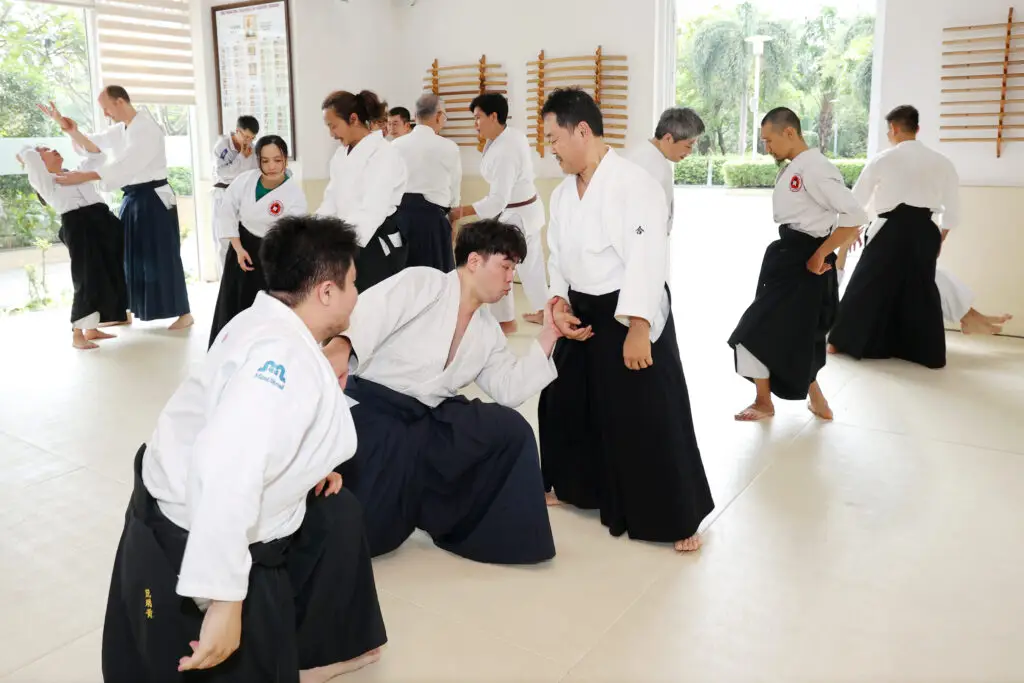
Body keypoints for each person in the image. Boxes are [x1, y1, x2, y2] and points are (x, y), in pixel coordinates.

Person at [101, 215, 387, 683]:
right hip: (193, 529)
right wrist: (225, 597)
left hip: (180, 498)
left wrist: (305, 467)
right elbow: (228, 464)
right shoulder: (281, 357)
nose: (357, 294)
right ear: (326, 292)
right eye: (353, 282)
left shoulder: (265, 320)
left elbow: (251, 430)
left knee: (337, 516)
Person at [537, 88, 714, 554]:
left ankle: (675, 512)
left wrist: (638, 328)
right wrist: (557, 303)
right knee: (566, 400)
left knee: (646, 413)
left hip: (628, 308)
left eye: (553, 138)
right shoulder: (561, 195)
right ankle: (578, 486)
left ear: (582, 131)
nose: (549, 148)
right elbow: (557, 255)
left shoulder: (635, 185)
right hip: (582, 310)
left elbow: (647, 258)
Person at [321, 218, 559, 565]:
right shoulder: (424, 283)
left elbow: (508, 388)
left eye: (514, 269)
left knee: (510, 431)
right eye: (506, 266)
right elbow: (371, 313)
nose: (511, 279)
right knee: (366, 530)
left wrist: (549, 334)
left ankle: (486, 531)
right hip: (378, 407)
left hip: (430, 415)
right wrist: (342, 346)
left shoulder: (487, 329)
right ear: (474, 261)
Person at [727, 107, 868, 422]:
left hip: (804, 262)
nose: (768, 148)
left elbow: (855, 215)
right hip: (789, 256)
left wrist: (823, 252)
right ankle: (816, 398)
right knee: (795, 334)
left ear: (788, 132)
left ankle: (764, 402)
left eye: (769, 140)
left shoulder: (815, 168)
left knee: (753, 331)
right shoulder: (799, 166)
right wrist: (830, 243)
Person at [40, 89, 193, 330]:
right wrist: (70, 129)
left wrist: (84, 176)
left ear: (120, 101)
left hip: (153, 196)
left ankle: (184, 313)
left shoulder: (146, 128)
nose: (105, 114)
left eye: (106, 108)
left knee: (162, 253)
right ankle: (127, 310)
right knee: (130, 255)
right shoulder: (122, 128)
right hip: (133, 197)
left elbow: (128, 164)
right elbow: (94, 146)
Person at [828, 105, 957, 369]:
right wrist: (939, 236)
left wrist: (848, 230)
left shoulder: (882, 159)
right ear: (917, 129)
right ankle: (926, 354)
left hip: (890, 228)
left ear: (894, 129)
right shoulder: (943, 162)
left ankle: (840, 341)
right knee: (921, 289)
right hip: (925, 229)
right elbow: (953, 209)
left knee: (867, 284)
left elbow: (857, 201)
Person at [449, 93, 547, 333]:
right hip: (522, 210)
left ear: (494, 116)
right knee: (528, 266)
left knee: (503, 265)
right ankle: (543, 312)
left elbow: (497, 200)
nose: (475, 124)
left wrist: (460, 212)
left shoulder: (506, 149)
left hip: (517, 214)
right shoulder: (506, 137)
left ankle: (506, 321)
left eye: (478, 118)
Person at [17, 144, 129, 349]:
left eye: (52, 147)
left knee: (109, 273)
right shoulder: (44, 181)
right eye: (45, 150)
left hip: (103, 222)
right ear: (38, 161)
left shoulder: (78, 172)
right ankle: (78, 335)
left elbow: (98, 155)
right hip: (79, 227)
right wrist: (25, 154)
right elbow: (29, 155)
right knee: (86, 277)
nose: (53, 150)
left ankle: (92, 329)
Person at [209, 135, 307, 348]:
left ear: (285, 160)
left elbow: (294, 234)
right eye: (265, 160)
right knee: (234, 304)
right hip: (242, 249)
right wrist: (237, 248)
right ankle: (226, 353)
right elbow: (226, 212)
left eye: (277, 160)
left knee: (265, 311)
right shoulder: (245, 180)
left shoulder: (294, 194)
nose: (271, 166)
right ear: (258, 160)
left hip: (273, 255)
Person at [318, 90, 408, 292]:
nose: (331, 134)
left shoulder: (384, 154)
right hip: (346, 243)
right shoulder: (341, 155)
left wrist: (339, 244)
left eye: (333, 126)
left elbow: (372, 210)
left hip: (372, 243)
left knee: (374, 310)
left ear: (354, 118)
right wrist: (313, 232)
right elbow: (331, 201)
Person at [391, 93, 462, 272]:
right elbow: (455, 195)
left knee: (404, 279)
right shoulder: (449, 147)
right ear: (439, 116)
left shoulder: (395, 146)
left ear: (415, 116)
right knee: (436, 281)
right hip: (433, 224)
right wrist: (453, 224)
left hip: (399, 221)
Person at [624, 106, 705, 235]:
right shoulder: (654, 168)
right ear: (668, 138)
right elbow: (638, 223)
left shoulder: (641, 152)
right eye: (689, 145)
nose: (690, 152)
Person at [211, 115, 260, 276]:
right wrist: (241, 159)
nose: (248, 141)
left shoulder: (252, 148)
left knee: (244, 239)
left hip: (244, 197)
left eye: (252, 138)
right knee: (224, 241)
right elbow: (223, 174)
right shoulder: (222, 146)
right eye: (245, 136)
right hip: (223, 196)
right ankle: (224, 282)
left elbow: (252, 173)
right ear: (237, 131)